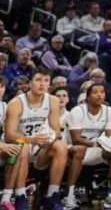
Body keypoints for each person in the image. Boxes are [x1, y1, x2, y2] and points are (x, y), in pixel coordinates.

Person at [6, 68, 69, 210]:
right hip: (15, 148)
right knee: (23, 145)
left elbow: (56, 130)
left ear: (49, 85)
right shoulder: (16, 103)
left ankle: (52, 196)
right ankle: (21, 196)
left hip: (38, 148)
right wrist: (31, 139)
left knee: (61, 145)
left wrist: (49, 138)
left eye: (46, 80)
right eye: (38, 80)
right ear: (29, 83)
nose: (42, 84)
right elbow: (9, 135)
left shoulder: (53, 100)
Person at [64, 83, 111, 210]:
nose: (99, 94)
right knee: (80, 149)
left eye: (102, 92)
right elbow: (76, 139)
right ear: (87, 97)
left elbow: (109, 136)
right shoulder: (77, 111)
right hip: (72, 150)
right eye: (95, 92)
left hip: (95, 150)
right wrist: (98, 143)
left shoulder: (109, 111)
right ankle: (69, 195)